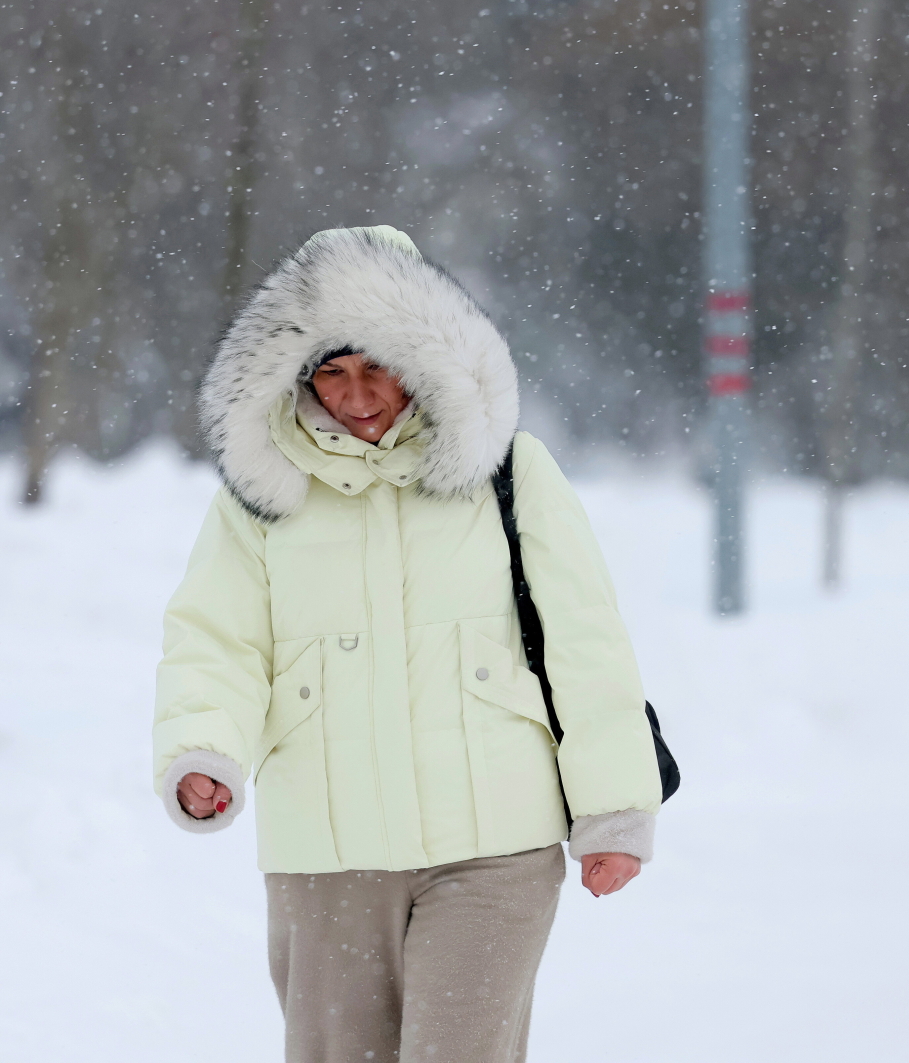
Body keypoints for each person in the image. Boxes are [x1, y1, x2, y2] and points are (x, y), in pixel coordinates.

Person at [152, 225, 661, 1063]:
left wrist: (614, 808)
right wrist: (201, 747)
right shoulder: (261, 495)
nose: (356, 395)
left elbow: (585, 638)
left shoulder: (510, 471)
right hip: (327, 852)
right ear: (297, 374)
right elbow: (216, 641)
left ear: (422, 357)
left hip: (495, 846)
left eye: (377, 366)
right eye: (332, 371)